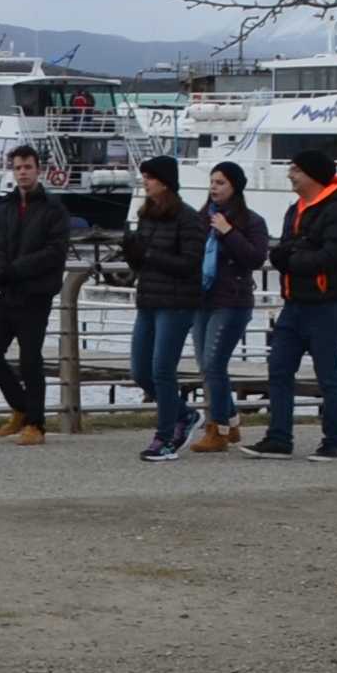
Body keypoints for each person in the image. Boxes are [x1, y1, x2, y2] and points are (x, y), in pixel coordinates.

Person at [256, 143, 337, 459]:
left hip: (325, 305)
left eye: (296, 169)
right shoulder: (295, 209)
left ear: (313, 175)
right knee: (279, 369)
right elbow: (283, 250)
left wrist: (296, 259)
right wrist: (291, 254)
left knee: (328, 376)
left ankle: (335, 442)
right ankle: (279, 438)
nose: (290, 174)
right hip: (293, 304)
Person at [0, 142, 73, 442]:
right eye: (18, 168)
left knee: (30, 359)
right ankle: (21, 408)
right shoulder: (5, 207)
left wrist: (16, 269)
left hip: (36, 294)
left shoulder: (53, 208)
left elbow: (55, 252)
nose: (23, 173)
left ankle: (36, 425)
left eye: (28, 167)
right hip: (8, 293)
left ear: (37, 170)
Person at [119, 154, 204, 460]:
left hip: (177, 304)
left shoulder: (188, 218)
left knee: (162, 370)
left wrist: (149, 254)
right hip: (149, 300)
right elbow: (141, 263)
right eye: (144, 177)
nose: (146, 182)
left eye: (151, 177)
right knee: (140, 371)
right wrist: (131, 251)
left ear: (165, 182)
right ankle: (184, 414)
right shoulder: (147, 215)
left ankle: (165, 437)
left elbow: (190, 264)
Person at [184, 160, 272, 451]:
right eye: (212, 182)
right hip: (202, 299)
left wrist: (228, 232)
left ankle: (218, 429)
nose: (214, 187)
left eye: (220, 182)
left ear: (235, 186)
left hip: (232, 301)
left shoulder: (252, 221)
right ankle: (231, 422)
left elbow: (255, 258)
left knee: (214, 365)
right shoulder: (201, 218)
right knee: (206, 366)